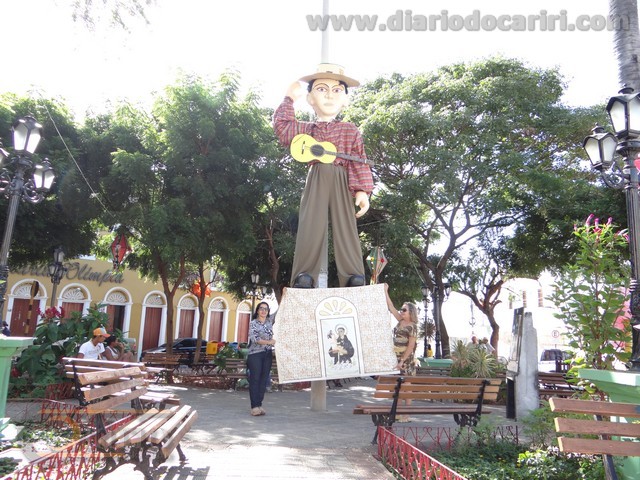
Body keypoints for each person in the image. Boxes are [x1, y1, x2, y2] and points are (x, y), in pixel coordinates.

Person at [273, 63, 375, 289]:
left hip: (342, 178)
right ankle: (304, 274)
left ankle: (353, 275)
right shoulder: (307, 129)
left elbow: (358, 158)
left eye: (337, 90)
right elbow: (282, 128)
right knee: (311, 223)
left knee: (346, 223)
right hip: (316, 174)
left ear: (345, 99)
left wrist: (362, 190)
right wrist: (289, 99)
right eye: (321, 89)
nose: (329, 95)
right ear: (310, 98)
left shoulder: (350, 129)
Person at [384, 284, 418, 422]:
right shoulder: (400, 321)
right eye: (402, 309)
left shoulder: (412, 327)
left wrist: (402, 360)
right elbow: (391, 307)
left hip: (406, 360)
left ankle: (406, 415)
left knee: (407, 388)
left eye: (404, 310)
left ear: (411, 312)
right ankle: (397, 413)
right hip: (396, 357)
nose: (401, 311)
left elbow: (411, 346)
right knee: (396, 387)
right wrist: (385, 291)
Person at [246, 302, 275, 416]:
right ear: (257, 311)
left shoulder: (269, 322)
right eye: (261, 308)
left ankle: (259, 404)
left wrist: (284, 296)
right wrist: (270, 342)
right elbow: (255, 339)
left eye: (266, 309)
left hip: (267, 354)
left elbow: (280, 312)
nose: (263, 311)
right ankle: (254, 407)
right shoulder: (253, 323)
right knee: (255, 379)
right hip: (255, 354)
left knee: (263, 380)